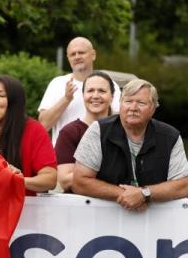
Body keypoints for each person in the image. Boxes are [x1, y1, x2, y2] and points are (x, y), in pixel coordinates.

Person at [72, 79, 188, 210]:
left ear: (153, 109)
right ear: (120, 104)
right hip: (103, 219)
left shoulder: (170, 136)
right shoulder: (98, 130)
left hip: (157, 222)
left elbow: (184, 186)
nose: (133, 108)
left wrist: (145, 193)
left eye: (141, 103)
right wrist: (127, 195)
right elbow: (79, 182)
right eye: (128, 101)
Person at [38, 37, 121, 145]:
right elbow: (43, 125)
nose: (77, 57)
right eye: (73, 54)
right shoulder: (57, 83)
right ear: (68, 58)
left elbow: (120, 122)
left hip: (101, 152)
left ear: (93, 55)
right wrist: (66, 99)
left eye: (81, 53)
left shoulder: (109, 83)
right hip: (64, 154)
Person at [55, 71, 115, 192]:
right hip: (80, 206)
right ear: (83, 95)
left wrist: (86, 176)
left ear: (112, 97)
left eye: (102, 91)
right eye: (90, 91)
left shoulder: (122, 130)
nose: (96, 95)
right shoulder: (69, 132)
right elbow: (65, 180)